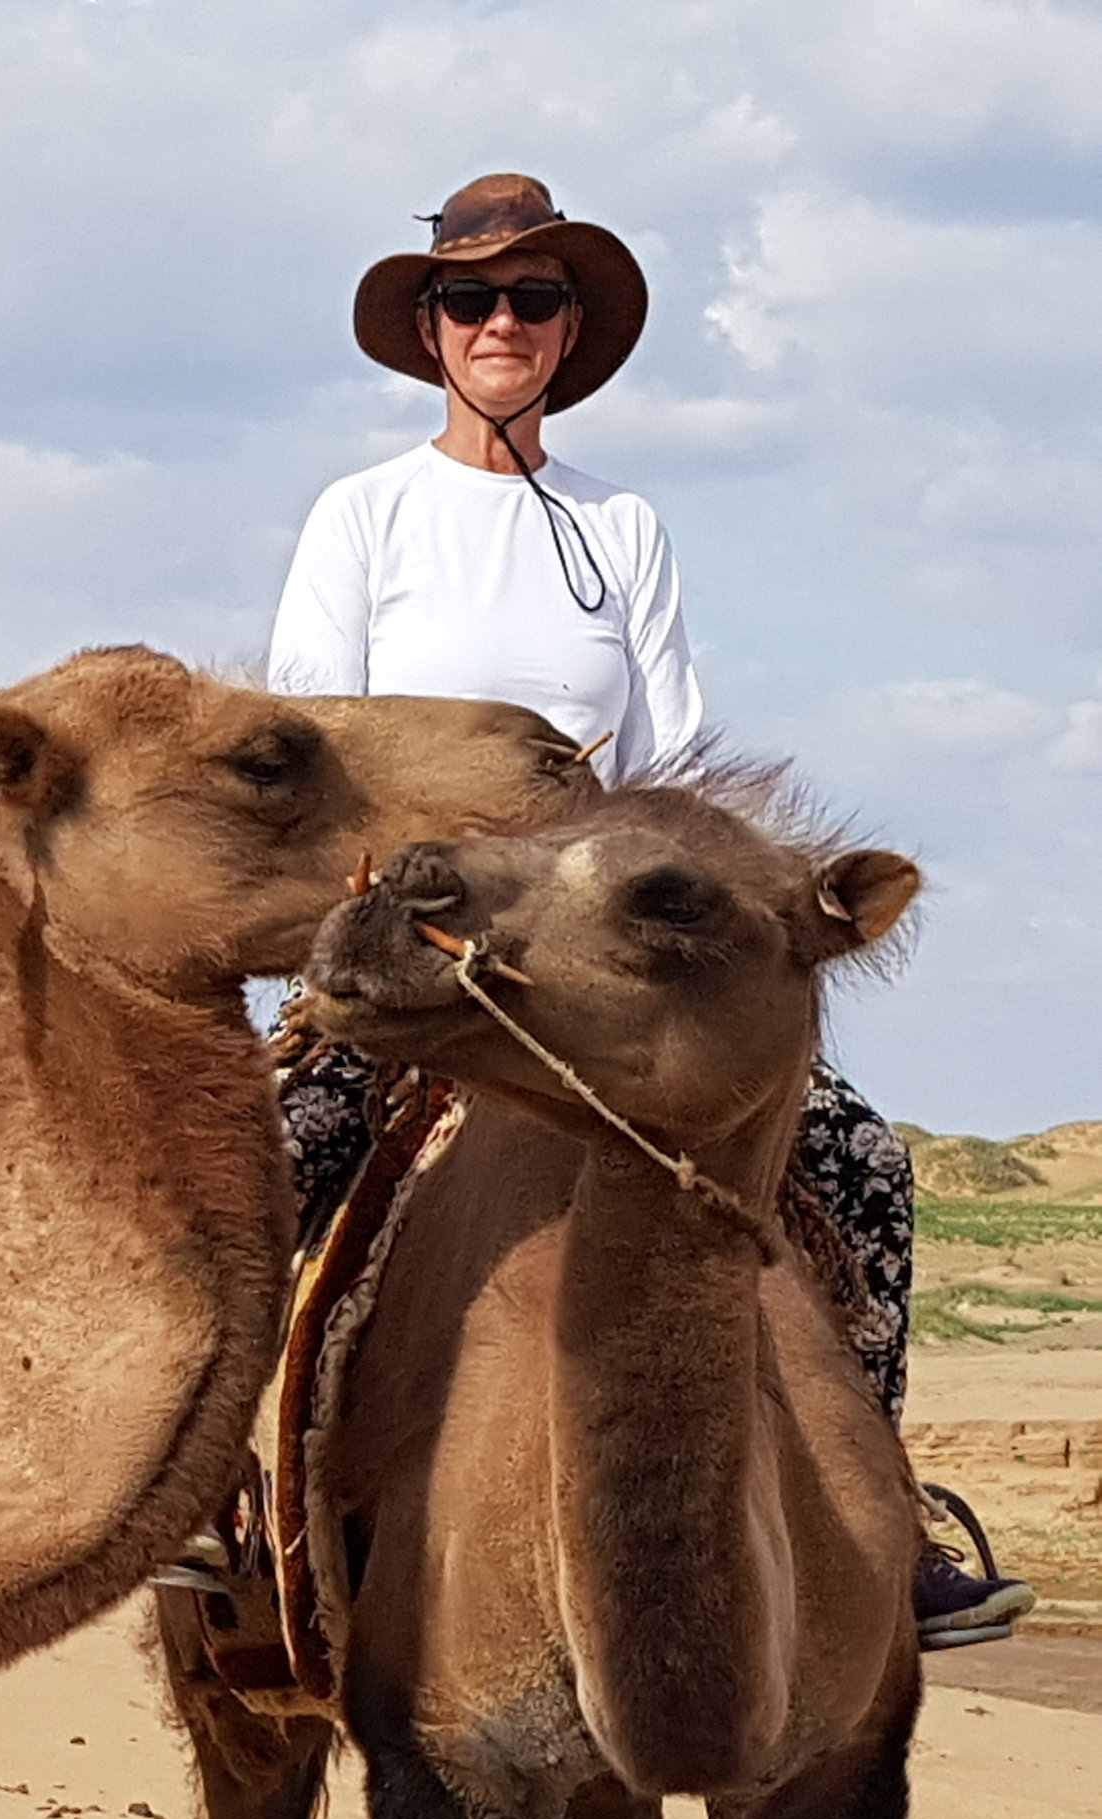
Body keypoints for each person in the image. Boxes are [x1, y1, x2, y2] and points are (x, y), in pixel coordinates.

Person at [266, 172, 1033, 1644]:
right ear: (430, 332)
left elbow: (672, 766)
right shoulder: (364, 517)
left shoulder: (625, 528)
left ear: (568, 335)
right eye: (470, 301)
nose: (501, 323)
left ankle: (876, 1506)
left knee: (852, 1159)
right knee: (283, 1153)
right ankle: (227, 1503)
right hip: (430, 936)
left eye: (532, 300)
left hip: (597, 947)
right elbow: (324, 744)